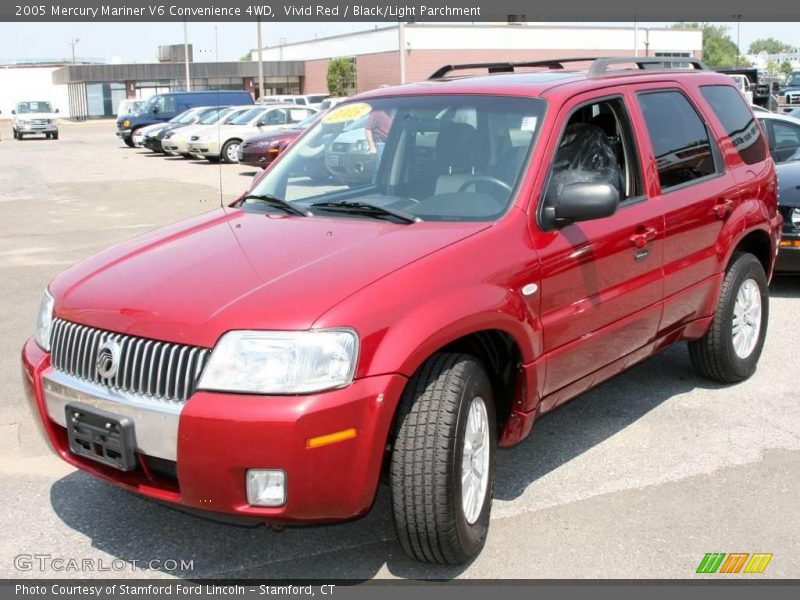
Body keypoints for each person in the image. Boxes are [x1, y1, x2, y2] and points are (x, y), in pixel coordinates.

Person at [364, 108, 394, 179]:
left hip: (391, 144)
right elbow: (367, 129)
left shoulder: (392, 113)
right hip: (381, 145)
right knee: (379, 172)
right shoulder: (377, 112)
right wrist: (372, 147)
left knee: (389, 172)